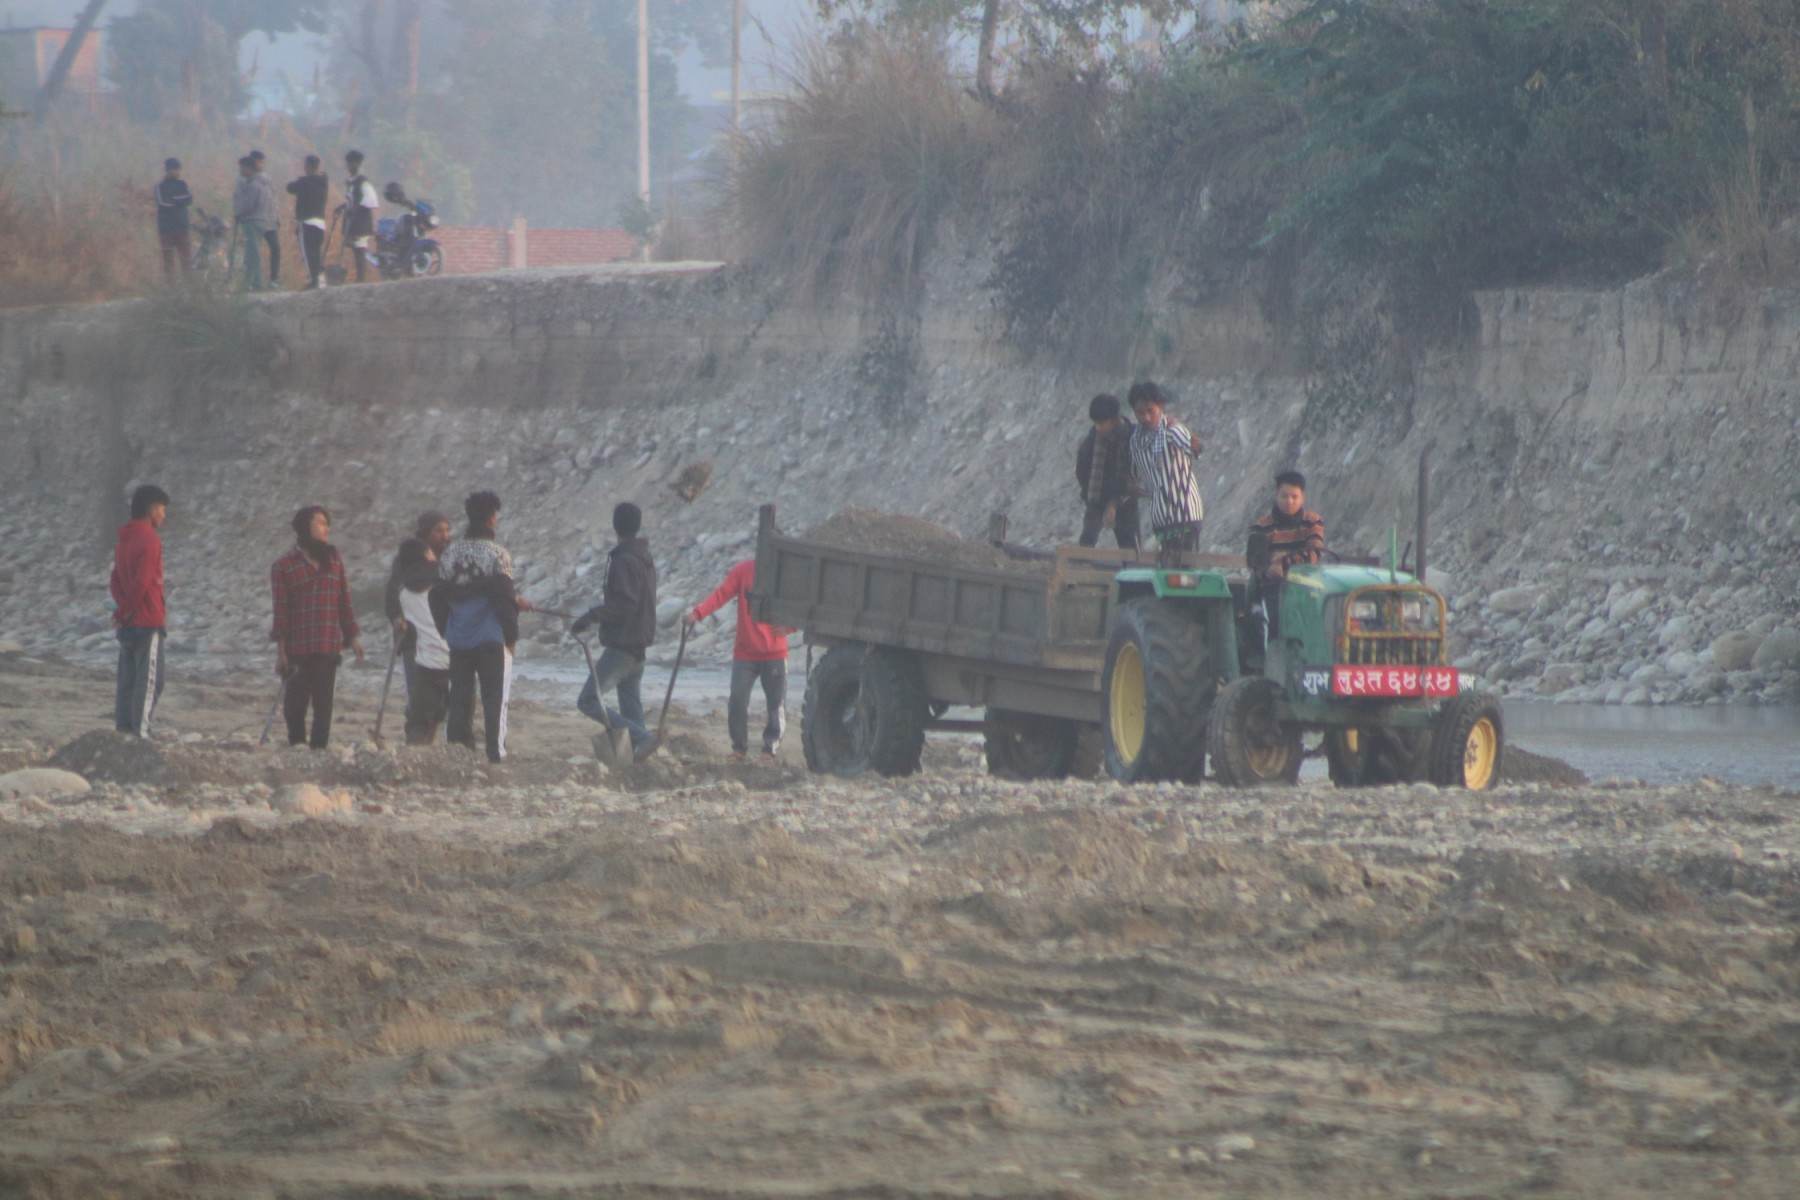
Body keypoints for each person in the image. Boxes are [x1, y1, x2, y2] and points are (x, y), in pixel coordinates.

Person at [431, 491, 524, 763]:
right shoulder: (498, 554)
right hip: (490, 638)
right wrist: (512, 635)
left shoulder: (450, 553)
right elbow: (505, 599)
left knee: (459, 698)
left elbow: (438, 596)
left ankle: (458, 754)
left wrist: (445, 630)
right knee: (494, 699)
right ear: (492, 518)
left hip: (459, 638)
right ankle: (495, 755)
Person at [570, 503, 659, 761]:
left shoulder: (624, 560)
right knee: (632, 713)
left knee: (587, 701)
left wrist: (591, 616)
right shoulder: (644, 558)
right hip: (638, 649)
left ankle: (643, 739)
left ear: (615, 525)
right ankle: (639, 763)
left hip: (622, 648)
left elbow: (624, 605)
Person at [270, 506, 364, 749]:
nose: (326, 528)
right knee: (295, 706)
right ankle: (297, 747)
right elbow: (280, 612)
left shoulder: (333, 559)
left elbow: (344, 600)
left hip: (327, 643)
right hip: (297, 646)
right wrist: (281, 653)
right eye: (321, 522)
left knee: (324, 705)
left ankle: (319, 752)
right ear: (305, 527)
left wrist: (353, 636)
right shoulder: (284, 565)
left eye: (327, 523)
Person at [685, 560, 793, 762]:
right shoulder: (742, 571)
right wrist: (697, 613)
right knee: (737, 700)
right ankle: (739, 748)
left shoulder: (785, 574)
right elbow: (721, 595)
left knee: (776, 704)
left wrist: (791, 627)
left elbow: (800, 602)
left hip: (775, 653)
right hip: (745, 653)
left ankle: (770, 749)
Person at [386, 512, 452, 744]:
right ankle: (419, 744)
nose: (445, 536)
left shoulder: (447, 561)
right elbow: (393, 593)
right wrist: (397, 618)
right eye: (439, 531)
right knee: (420, 699)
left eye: (447, 530)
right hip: (414, 639)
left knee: (442, 704)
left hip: (445, 640)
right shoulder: (408, 559)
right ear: (426, 533)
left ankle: (427, 743)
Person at [110, 484, 170, 737]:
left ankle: (123, 729)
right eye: (162, 509)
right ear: (152, 509)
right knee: (150, 681)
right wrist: (128, 611)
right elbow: (143, 582)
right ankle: (141, 733)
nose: (164, 515)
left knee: (127, 680)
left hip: (128, 622)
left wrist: (121, 612)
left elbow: (115, 580)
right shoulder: (149, 538)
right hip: (146, 621)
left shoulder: (124, 539)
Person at [1126, 380, 1205, 558]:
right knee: (1166, 569)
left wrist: (1192, 441)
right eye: (1140, 413)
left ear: (1160, 407)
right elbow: (1135, 475)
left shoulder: (1172, 430)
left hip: (1184, 516)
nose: (1145, 417)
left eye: (1150, 411)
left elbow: (1195, 447)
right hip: (1160, 518)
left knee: (1179, 572)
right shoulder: (1136, 441)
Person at [1247, 469, 1325, 641]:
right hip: (1271, 586)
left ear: (1302, 497)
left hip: (1305, 585)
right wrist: (1269, 569)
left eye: (1294, 497)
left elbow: (1314, 553)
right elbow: (1256, 561)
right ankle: (1263, 653)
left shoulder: (1312, 521)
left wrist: (1282, 563)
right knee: (1265, 621)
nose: (1289, 501)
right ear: (1276, 495)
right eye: (1284, 496)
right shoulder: (1261, 526)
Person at [1074, 393, 1138, 550]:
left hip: (1125, 500)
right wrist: (1089, 494)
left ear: (1114, 420)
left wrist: (1113, 504)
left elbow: (1130, 477)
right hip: (1095, 499)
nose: (1098, 428)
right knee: (1087, 541)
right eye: (1096, 423)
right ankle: (1080, 572)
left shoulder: (1130, 439)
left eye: (1102, 423)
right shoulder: (1092, 440)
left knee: (1130, 548)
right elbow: (1082, 469)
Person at [232, 156, 277, 291]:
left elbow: (249, 205)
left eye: (242, 167)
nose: (240, 170)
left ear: (249, 168)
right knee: (252, 252)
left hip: (252, 221)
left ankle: (254, 284)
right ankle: (254, 283)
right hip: (258, 220)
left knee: (252, 254)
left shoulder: (254, 185)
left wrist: (238, 213)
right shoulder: (258, 183)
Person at [287, 155, 330, 289]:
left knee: (308, 253)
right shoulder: (323, 182)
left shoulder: (304, 182)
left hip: (306, 222)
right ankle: (321, 281)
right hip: (320, 223)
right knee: (316, 252)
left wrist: (301, 179)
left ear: (308, 166)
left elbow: (289, 188)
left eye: (305, 165)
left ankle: (314, 281)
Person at [343, 150, 380, 283]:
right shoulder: (351, 183)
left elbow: (371, 201)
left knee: (360, 249)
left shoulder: (363, 183)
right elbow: (350, 200)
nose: (349, 166)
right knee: (356, 249)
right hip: (352, 222)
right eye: (348, 163)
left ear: (357, 164)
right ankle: (360, 278)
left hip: (361, 222)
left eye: (352, 164)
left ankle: (361, 279)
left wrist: (355, 209)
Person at [152, 158, 192, 281]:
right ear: (168, 170)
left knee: (186, 259)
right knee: (168, 260)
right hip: (166, 228)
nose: (177, 172)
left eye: (178, 170)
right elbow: (163, 203)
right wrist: (179, 201)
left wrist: (173, 200)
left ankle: (189, 285)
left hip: (182, 227)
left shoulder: (182, 184)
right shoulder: (160, 186)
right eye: (175, 170)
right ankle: (171, 288)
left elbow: (189, 199)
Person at [248, 150, 281, 287]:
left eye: (262, 161)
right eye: (258, 161)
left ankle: (274, 279)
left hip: (269, 220)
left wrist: (277, 216)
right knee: (253, 252)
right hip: (255, 220)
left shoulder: (267, 179)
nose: (261, 164)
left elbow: (273, 198)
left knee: (276, 248)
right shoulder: (247, 179)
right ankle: (253, 281)